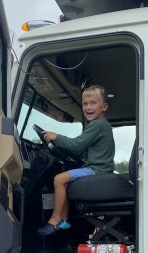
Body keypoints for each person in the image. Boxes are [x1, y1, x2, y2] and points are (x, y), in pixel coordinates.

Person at [38, 84, 115, 236]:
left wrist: (56, 137)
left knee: (59, 179)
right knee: (65, 181)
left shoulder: (98, 125)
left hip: (97, 170)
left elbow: (77, 145)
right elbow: (81, 149)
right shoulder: (100, 125)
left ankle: (54, 220)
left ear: (104, 106)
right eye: (85, 104)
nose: (88, 107)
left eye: (93, 103)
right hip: (100, 169)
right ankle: (64, 220)